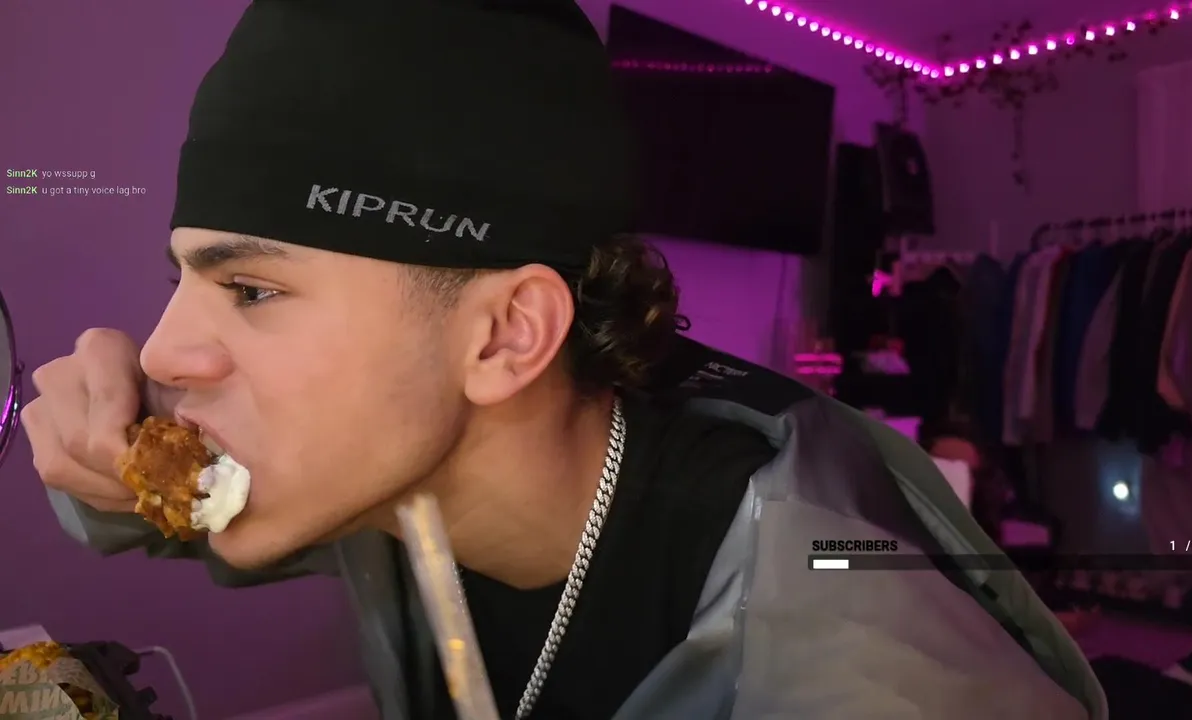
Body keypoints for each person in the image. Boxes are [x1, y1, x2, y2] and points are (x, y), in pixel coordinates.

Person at [21, 1, 1104, 718]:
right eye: (182, 280)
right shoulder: (380, 469)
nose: (164, 347)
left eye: (251, 289)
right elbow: (150, 511)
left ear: (504, 336)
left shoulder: (849, 653)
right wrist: (91, 448)